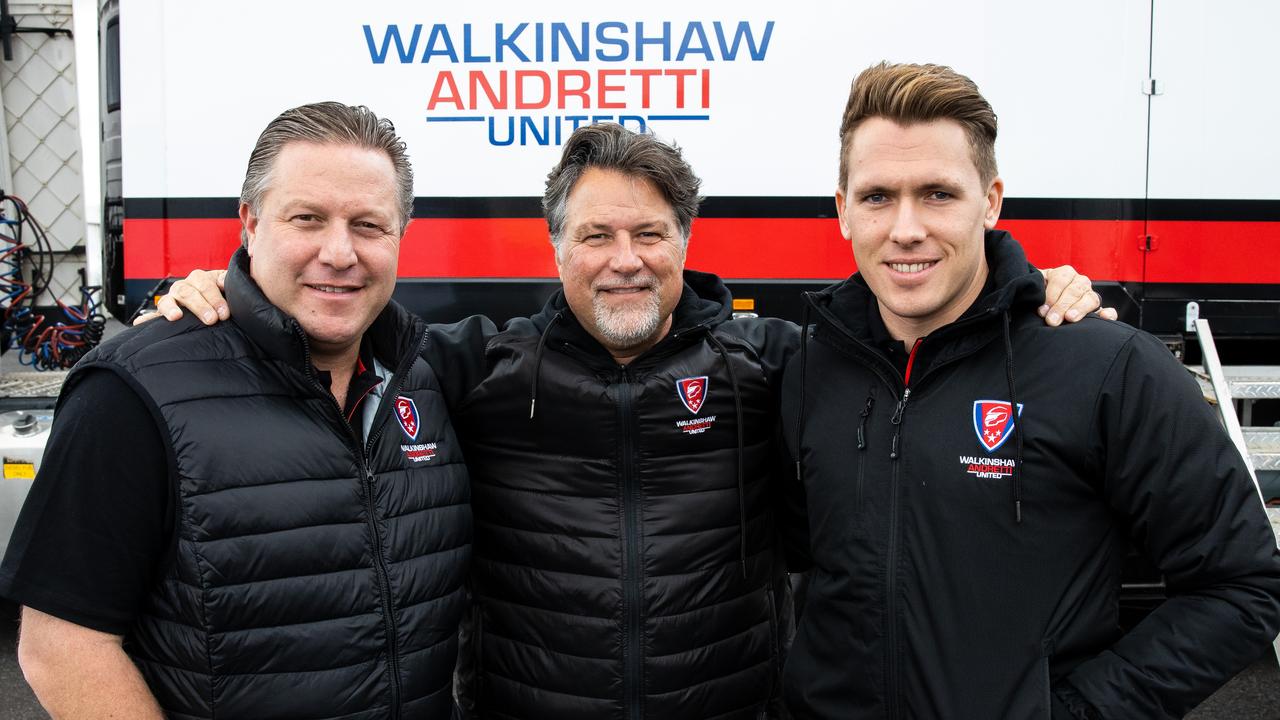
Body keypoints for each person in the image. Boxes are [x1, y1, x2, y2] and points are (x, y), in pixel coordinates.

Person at [149, 123, 1106, 719]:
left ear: (685, 244)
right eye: (596, 235)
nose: (625, 260)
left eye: (650, 234)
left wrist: (1037, 293)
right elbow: (331, 323)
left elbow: (919, 348)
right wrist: (214, 294)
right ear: (555, 244)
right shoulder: (471, 365)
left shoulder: (769, 362)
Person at [780, 61, 1280, 719]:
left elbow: (1242, 585)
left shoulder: (1107, 368)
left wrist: (1082, 710)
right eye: (877, 197)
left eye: (937, 194)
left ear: (989, 201)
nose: (905, 228)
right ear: (843, 211)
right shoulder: (807, 370)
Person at [0, 102, 471, 719]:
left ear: (400, 235)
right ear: (250, 222)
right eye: (307, 218)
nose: (339, 251)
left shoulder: (430, 376)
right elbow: (63, 645)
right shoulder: (134, 392)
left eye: (368, 225)